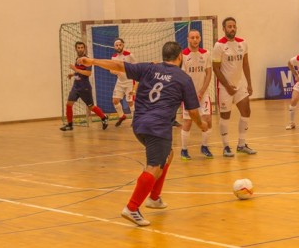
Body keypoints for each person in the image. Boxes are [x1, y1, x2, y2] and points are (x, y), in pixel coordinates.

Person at [77, 41, 208, 226]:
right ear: (180, 57)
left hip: (139, 125)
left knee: (168, 155)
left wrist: (92, 61)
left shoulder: (149, 68)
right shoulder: (183, 78)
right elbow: (193, 111)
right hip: (158, 127)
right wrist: (201, 125)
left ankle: (154, 198)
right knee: (154, 167)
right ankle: (132, 208)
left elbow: (118, 65)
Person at [212, 17, 257, 157]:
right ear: (223, 29)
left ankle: (241, 144)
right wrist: (227, 86)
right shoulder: (219, 45)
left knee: (246, 111)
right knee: (225, 116)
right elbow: (216, 69)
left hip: (240, 85)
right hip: (225, 87)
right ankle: (226, 147)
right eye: (229, 26)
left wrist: (249, 83)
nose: (232, 28)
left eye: (234, 26)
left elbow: (245, 64)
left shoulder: (242, 43)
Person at [180, 29, 214, 160]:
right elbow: (182, 77)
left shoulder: (206, 54)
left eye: (197, 37)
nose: (195, 39)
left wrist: (201, 92)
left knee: (208, 119)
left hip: (203, 93)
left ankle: (204, 146)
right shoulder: (183, 55)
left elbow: (209, 73)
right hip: (188, 95)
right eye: (192, 37)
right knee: (187, 122)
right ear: (188, 39)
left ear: (200, 39)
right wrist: (189, 94)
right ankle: (184, 150)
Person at [60, 41, 108, 131]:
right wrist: (73, 74)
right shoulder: (77, 59)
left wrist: (75, 69)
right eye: (79, 47)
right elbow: (79, 71)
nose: (80, 49)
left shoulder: (87, 60)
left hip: (84, 87)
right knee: (69, 104)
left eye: (82, 47)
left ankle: (104, 117)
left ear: (84, 49)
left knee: (91, 107)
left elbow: (88, 73)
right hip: (76, 86)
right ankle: (70, 125)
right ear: (76, 49)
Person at [111, 38, 137, 127]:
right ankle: (122, 116)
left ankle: (134, 120)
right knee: (115, 100)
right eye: (116, 45)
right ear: (114, 46)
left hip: (129, 81)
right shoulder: (113, 57)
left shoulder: (129, 55)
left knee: (130, 101)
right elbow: (111, 69)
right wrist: (114, 71)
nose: (118, 47)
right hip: (120, 82)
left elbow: (136, 68)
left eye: (120, 45)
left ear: (123, 45)